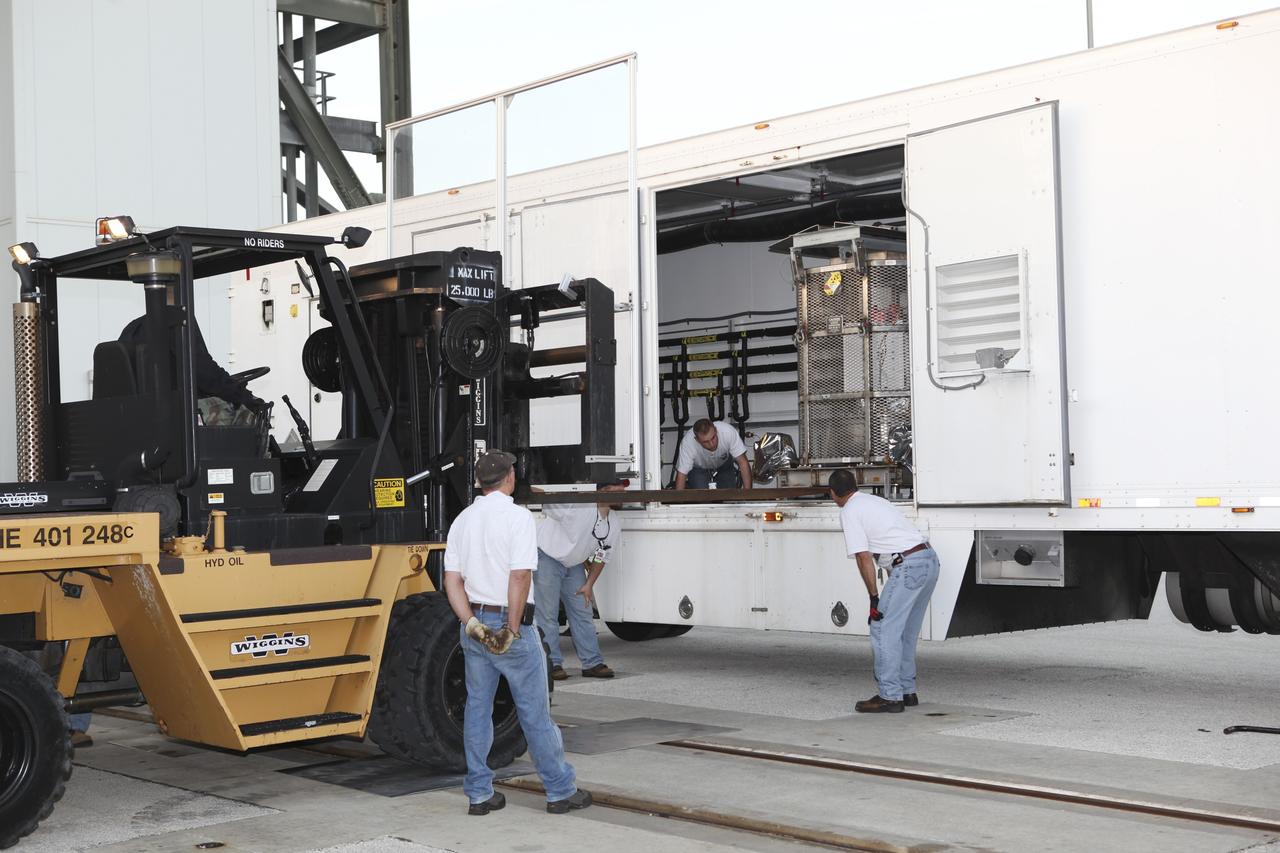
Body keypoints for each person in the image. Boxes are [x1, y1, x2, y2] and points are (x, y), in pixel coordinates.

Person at [442, 450, 592, 816]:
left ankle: (479, 794)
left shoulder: (462, 520)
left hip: (475, 625)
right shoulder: (518, 517)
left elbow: (452, 581)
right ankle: (559, 791)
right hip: (510, 627)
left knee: (478, 710)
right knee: (535, 714)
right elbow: (520, 576)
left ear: (480, 481)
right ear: (509, 477)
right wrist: (511, 629)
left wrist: (471, 625)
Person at [829, 468, 940, 714]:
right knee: (905, 632)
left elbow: (863, 556)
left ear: (833, 493)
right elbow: (889, 548)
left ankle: (890, 696)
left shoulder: (849, 510)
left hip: (909, 565)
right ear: (855, 486)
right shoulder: (875, 501)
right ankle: (907, 691)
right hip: (928, 560)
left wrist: (874, 598)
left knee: (882, 629)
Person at [533, 479, 628, 681]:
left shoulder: (614, 522)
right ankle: (552, 663)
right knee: (547, 615)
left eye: (623, 490)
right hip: (547, 556)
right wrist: (524, 486)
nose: (622, 494)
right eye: (616, 490)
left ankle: (592, 662)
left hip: (573, 563)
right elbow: (546, 499)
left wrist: (589, 584)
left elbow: (602, 555)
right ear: (602, 491)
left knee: (582, 612)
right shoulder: (578, 507)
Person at [119, 302, 266, 415]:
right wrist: (244, 396)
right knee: (245, 414)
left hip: (142, 413)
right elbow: (205, 374)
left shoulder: (133, 328)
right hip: (175, 414)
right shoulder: (177, 321)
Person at [673, 418, 752, 490]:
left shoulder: (728, 431)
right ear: (697, 440)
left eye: (713, 438)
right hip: (698, 469)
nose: (711, 444)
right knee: (702, 499)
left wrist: (748, 496)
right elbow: (682, 474)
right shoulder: (688, 443)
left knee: (730, 497)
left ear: (716, 430)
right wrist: (678, 503)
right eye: (705, 442)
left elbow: (743, 462)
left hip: (724, 466)